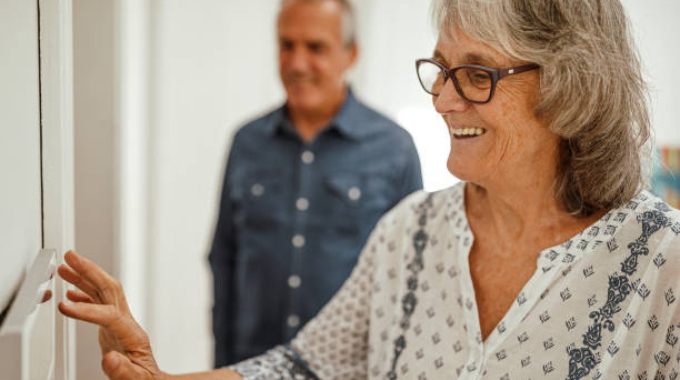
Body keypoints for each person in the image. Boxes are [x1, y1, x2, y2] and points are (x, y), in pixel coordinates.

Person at [57, 0, 680, 379]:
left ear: (572, 84)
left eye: (477, 74)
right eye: (440, 68)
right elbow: (305, 367)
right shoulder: (411, 232)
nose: (440, 98)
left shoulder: (662, 264)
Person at [208, 0, 423, 366]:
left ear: (350, 55)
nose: (297, 63)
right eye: (286, 45)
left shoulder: (394, 149)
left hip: (351, 371)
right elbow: (223, 257)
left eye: (316, 47)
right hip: (250, 366)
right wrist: (223, 367)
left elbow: (412, 274)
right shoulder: (246, 143)